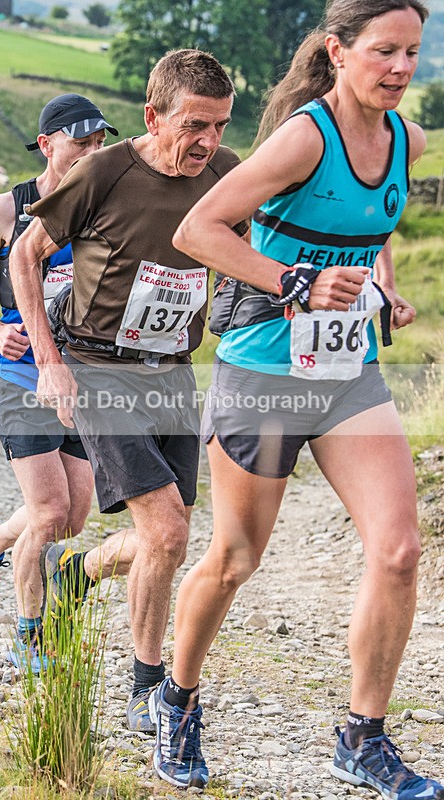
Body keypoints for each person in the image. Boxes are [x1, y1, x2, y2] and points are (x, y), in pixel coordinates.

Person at [148, 1, 444, 796]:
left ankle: (362, 738)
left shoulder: (405, 141)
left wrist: (381, 287)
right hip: (265, 374)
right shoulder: (304, 137)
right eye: (384, 51)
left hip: (348, 375)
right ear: (337, 52)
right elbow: (200, 231)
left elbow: (366, 229)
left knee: (398, 550)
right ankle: (175, 703)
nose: (399, 69)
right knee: (236, 557)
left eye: (412, 53)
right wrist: (298, 281)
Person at [8, 50, 246, 731]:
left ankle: (76, 572)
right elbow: (25, 255)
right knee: (168, 531)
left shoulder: (225, 174)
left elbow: (251, 243)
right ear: (153, 116)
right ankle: (147, 689)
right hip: (98, 367)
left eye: (220, 126)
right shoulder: (103, 171)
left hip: (172, 369)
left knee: (162, 538)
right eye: (194, 125)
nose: (208, 142)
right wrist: (50, 361)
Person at [0, 93, 121, 672]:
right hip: (19, 374)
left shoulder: (105, 204)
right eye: (81, 143)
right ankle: (29, 635)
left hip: (81, 377)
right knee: (47, 513)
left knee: (72, 518)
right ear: (47, 144)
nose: (93, 152)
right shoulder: (7, 208)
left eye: (100, 143)